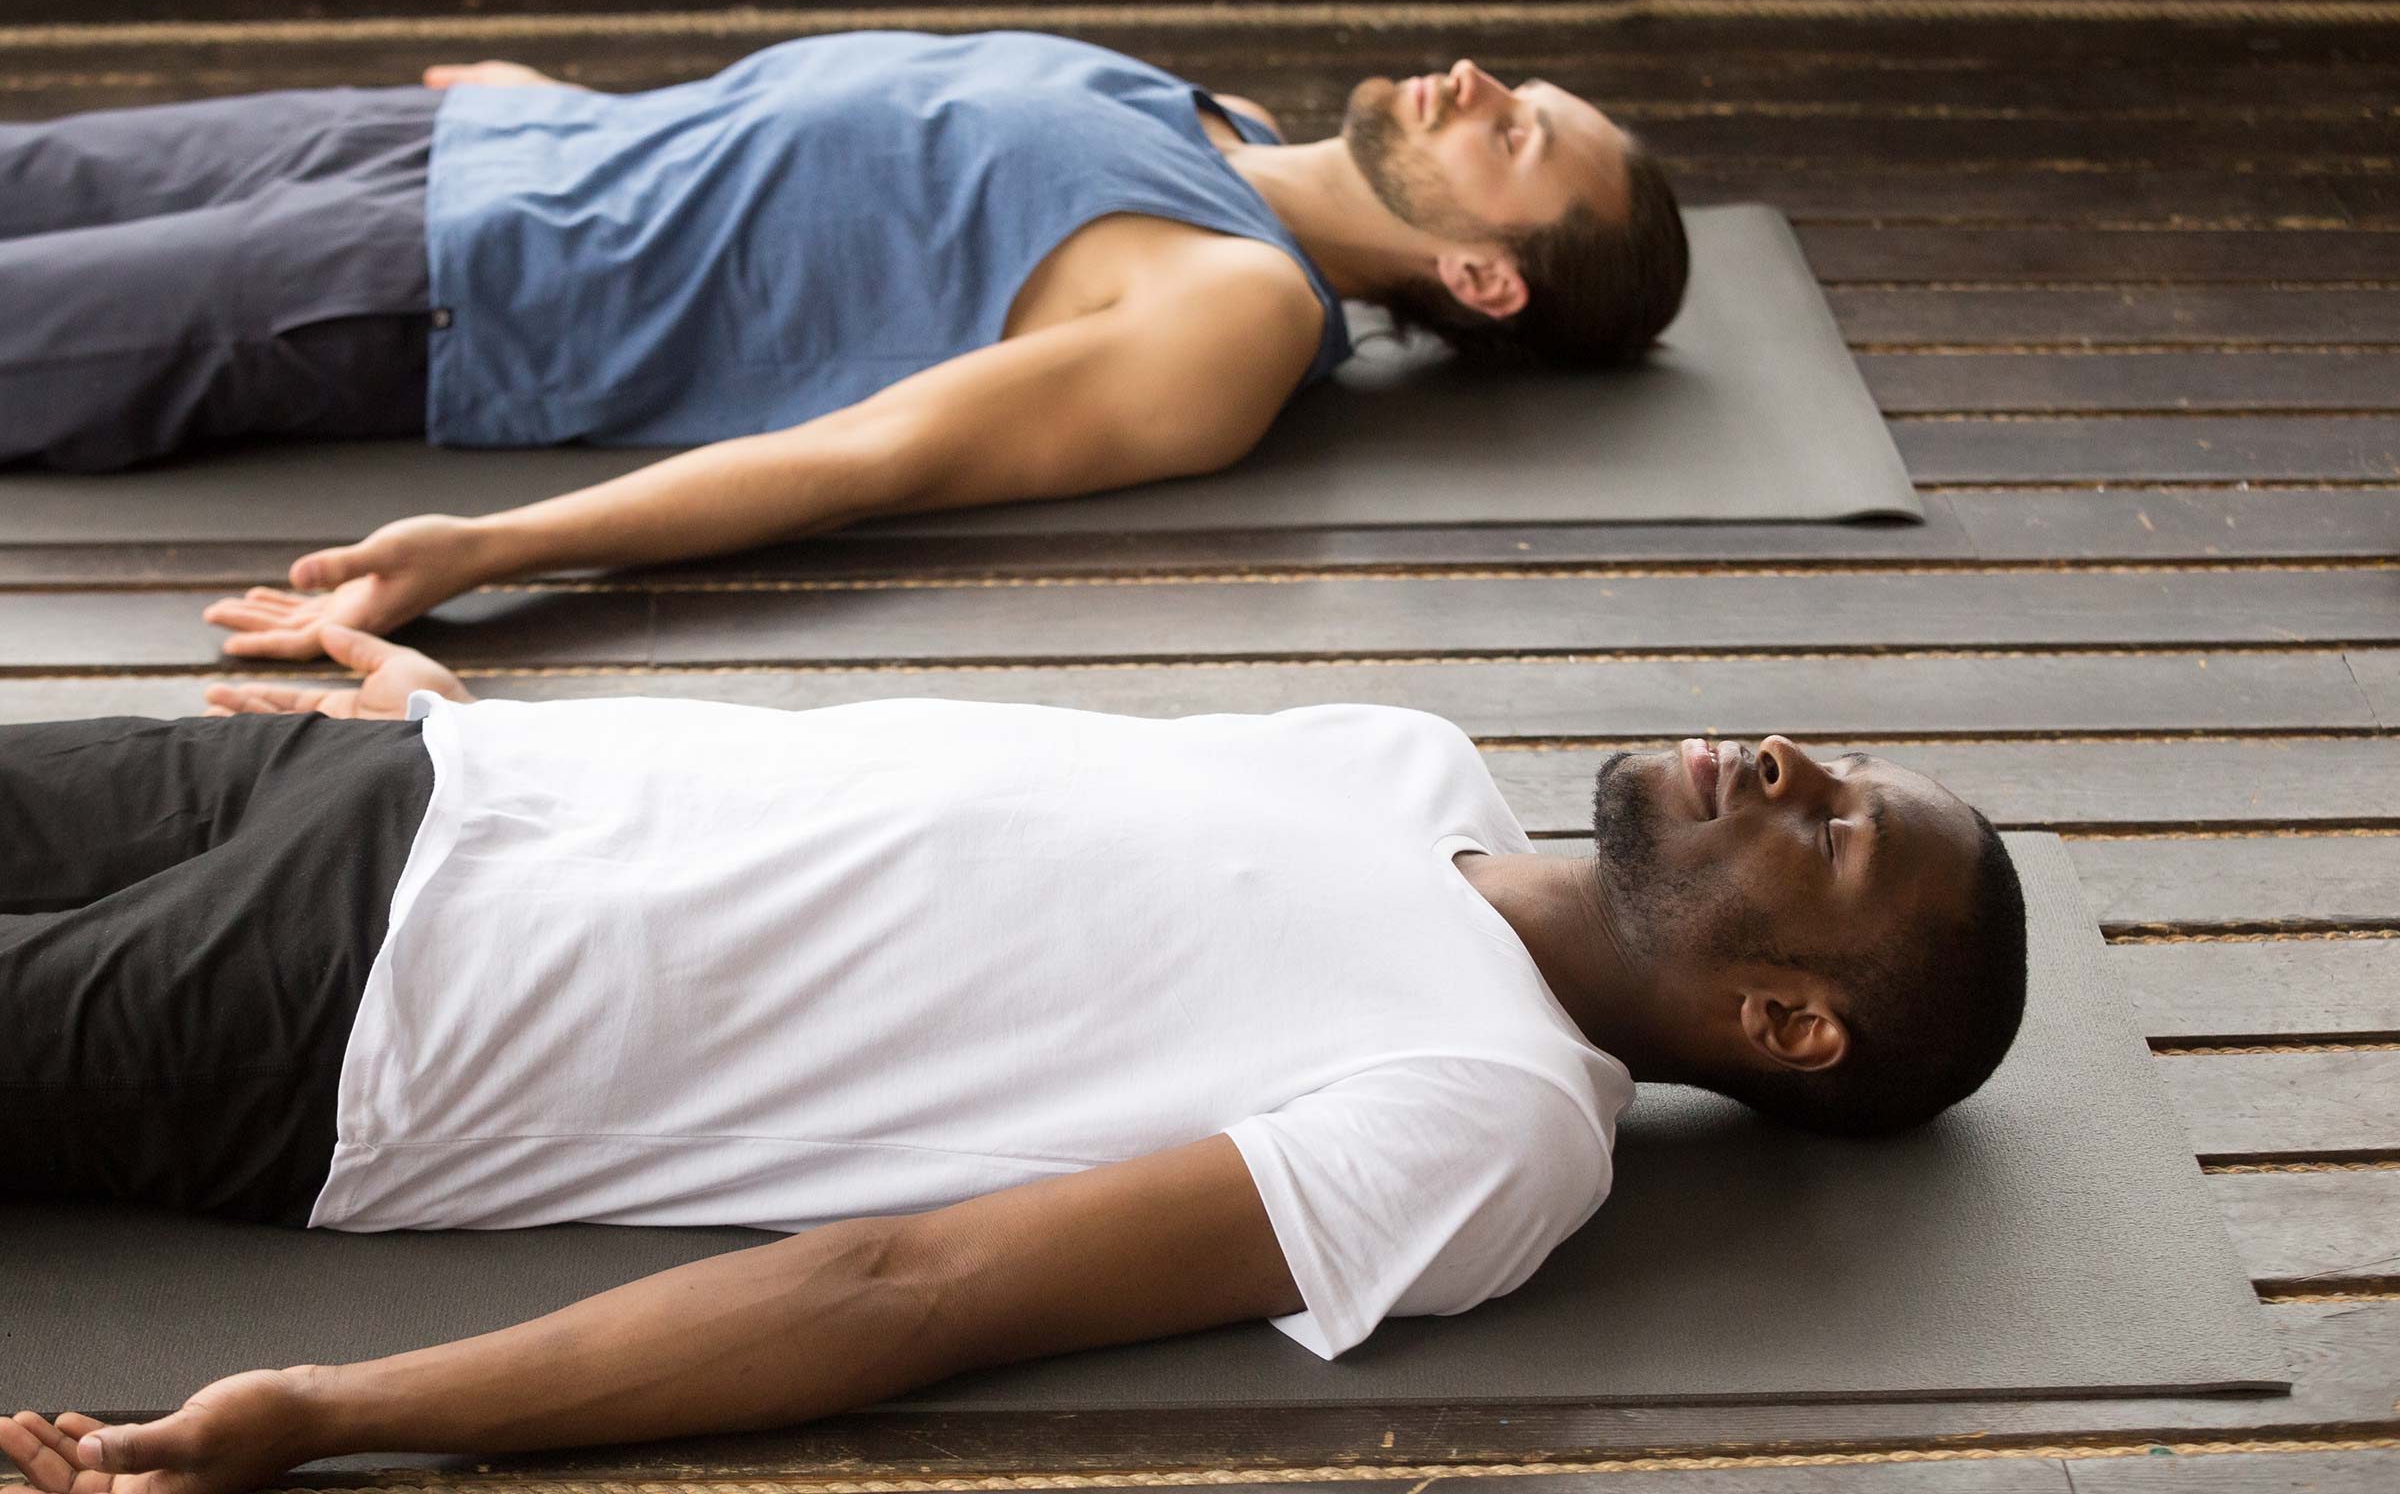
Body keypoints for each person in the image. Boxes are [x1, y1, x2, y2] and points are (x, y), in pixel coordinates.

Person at [3, 625, 2024, 1494]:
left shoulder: (1497, 1117)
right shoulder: (1411, 759)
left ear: (1787, 1022)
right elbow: (913, 794)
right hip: (417, 779)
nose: (1791, 758)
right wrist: (495, 723)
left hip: (380, 1007)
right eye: (1840, 761)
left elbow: (914, 1287)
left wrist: (328, 1409)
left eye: (1838, 829)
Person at [0, 30, 1691, 659]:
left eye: (1519, 136)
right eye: (1518, 89)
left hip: (451, 278)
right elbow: (855, 146)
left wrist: (491, 549)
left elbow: (866, 456)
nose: (1480, 82)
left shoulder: (1232, 309)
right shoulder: (1218, 120)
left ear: (1484, 280)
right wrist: (589, 111)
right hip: (474, 148)